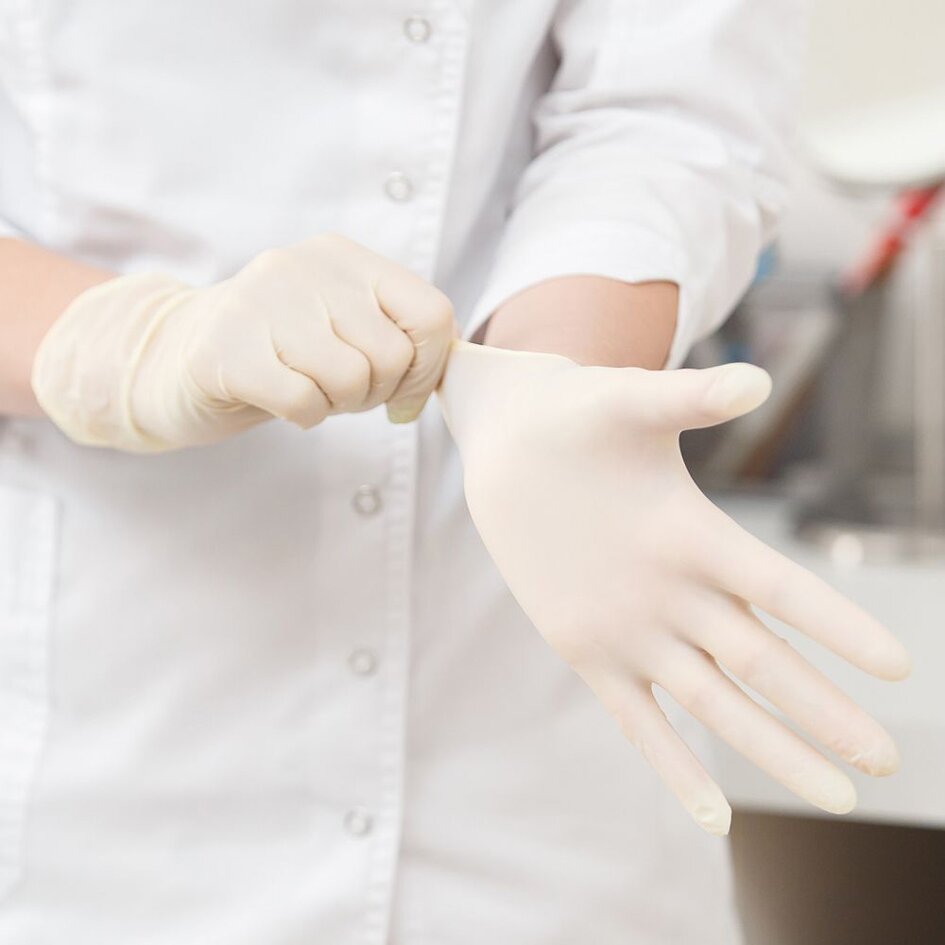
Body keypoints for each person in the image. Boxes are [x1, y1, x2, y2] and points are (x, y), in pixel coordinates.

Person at [0, 2, 908, 942]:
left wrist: (545, 395)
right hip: (100, 763)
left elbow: (665, 116)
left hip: (527, 766)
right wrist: (125, 344)